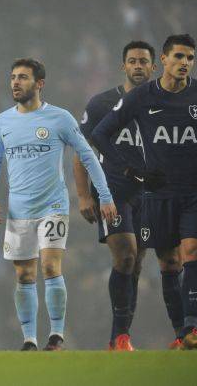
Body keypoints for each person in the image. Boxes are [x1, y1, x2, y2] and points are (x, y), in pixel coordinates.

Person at [92, 34, 197, 350]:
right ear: (166, 61)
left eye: (190, 58)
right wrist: (132, 171)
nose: (185, 63)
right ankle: (176, 335)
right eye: (179, 57)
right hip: (157, 194)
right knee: (169, 263)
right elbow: (102, 133)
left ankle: (190, 329)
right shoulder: (143, 97)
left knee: (195, 252)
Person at [0, 58, 117, 351]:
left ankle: (56, 335)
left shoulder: (60, 118)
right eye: (13, 77)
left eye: (22, 77)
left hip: (53, 206)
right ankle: (29, 339)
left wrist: (104, 195)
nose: (15, 83)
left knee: (50, 266)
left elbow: (87, 155)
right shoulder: (3, 121)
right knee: (24, 274)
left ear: (39, 84)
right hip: (19, 210)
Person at [73, 41, 155, 350]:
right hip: (112, 191)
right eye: (132, 60)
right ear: (123, 66)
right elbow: (81, 151)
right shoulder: (101, 104)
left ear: (152, 67)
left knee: (137, 262)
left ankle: (120, 336)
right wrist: (83, 195)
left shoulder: (166, 105)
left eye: (143, 61)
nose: (137, 65)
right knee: (126, 255)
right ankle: (120, 337)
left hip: (150, 193)